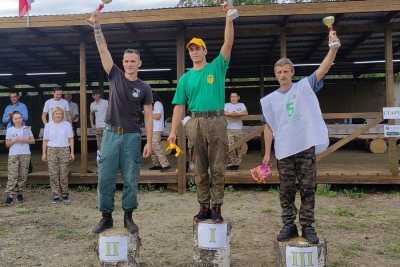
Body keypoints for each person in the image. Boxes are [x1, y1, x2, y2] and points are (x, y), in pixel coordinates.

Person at [260, 30, 341, 244]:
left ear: (292, 72)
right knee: (286, 190)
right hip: (284, 150)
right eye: (279, 72)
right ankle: (288, 224)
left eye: (286, 71)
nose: (283, 75)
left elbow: (322, 70)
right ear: (275, 74)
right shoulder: (270, 101)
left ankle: (308, 226)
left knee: (307, 187)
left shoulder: (304, 87)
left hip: (305, 147)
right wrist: (267, 154)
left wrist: (333, 49)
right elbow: (268, 127)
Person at [168, 2, 235, 223]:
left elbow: (228, 42)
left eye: (198, 48)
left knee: (217, 167)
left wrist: (228, 16)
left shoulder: (216, 67)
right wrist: (172, 132)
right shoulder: (185, 78)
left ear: (205, 50)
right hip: (194, 123)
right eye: (191, 49)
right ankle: (203, 207)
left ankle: (217, 208)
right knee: (199, 168)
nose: (194, 51)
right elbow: (179, 106)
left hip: (216, 120)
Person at [89, 10, 153, 234]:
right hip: (110, 134)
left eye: (133, 61)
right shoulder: (114, 74)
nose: (129, 64)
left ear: (139, 63)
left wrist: (150, 141)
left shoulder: (145, 88)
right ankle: (106, 216)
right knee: (105, 176)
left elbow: (147, 115)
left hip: (132, 136)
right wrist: (97, 27)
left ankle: (128, 217)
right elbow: (103, 50)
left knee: (130, 178)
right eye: (126, 60)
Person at [42, 107, 74, 204]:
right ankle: (55, 194)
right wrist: (44, 153)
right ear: (52, 115)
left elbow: (71, 139)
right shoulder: (48, 125)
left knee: (64, 173)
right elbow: (45, 140)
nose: (58, 115)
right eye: (56, 113)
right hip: (51, 150)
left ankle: (65, 194)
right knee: (53, 173)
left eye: (60, 113)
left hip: (64, 150)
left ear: (62, 115)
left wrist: (72, 152)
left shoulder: (67, 124)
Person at [4, 111, 35, 205]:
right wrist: (15, 140)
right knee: (12, 175)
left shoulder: (27, 128)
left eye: (19, 118)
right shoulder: (10, 130)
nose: (18, 120)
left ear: (22, 119)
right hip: (13, 154)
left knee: (23, 175)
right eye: (15, 118)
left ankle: (19, 193)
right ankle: (10, 194)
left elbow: (33, 141)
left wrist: (24, 139)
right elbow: (7, 144)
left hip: (25, 154)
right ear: (13, 120)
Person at [224, 92, 248, 170]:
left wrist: (232, 114)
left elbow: (245, 113)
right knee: (230, 146)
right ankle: (232, 163)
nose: (233, 98)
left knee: (239, 147)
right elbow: (224, 113)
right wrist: (237, 114)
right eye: (231, 97)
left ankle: (237, 163)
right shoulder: (227, 105)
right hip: (229, 129)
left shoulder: (241, 105)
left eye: (234, 96)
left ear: (238, 97)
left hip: (239, 129)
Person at [149, 93, 170, 172]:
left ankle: (165, 164)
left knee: (156, 146)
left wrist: (147, 113)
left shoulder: (157, 104)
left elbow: (158, 116)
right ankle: (156, 164)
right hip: (153, 129)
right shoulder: (155, 105)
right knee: (152, 147)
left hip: (156, 129)